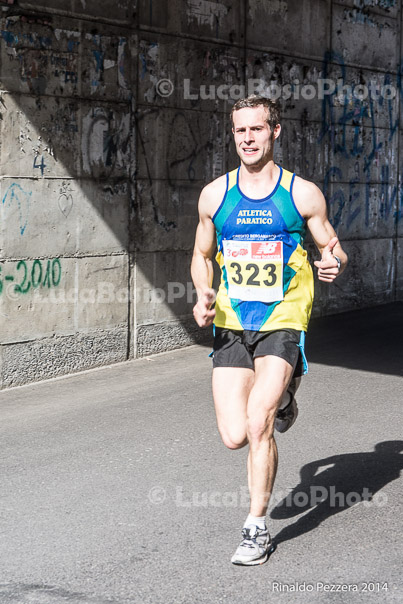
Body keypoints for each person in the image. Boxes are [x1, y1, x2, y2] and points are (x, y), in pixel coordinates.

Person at [190, 95, 348, 566]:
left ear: (275, 131)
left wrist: (334, 262)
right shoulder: (215, 195)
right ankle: (284, 398)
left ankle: (256, 529)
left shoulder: (302, 194)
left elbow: (333, 246)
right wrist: (203, 292)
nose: (247, 139)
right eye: (240, 130)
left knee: (259, 424)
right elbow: (201, 254)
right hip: (232, 320)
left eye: (256, 129)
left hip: (283, 315)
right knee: (233, 435)